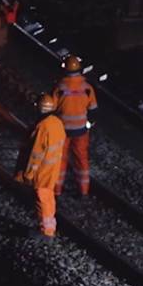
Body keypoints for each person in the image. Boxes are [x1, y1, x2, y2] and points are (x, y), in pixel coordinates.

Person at [15, 93, 66, 238]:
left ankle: (46, 231)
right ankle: (51, 227)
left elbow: (36, 153)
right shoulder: (57, 122)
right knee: (49, 198)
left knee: (42, 199)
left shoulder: (43, 126)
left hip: (42, 171)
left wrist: (29, 173)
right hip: (53, 169)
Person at [52, 54, 98, 198]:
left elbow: (51, 108)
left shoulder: (59, 87)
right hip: (81, 131)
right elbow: (93, 110)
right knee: (82, 160)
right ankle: (84, 191)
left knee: (60, 160)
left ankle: (57, 190)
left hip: (63, 130)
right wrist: (89, 125)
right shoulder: (87, 88)